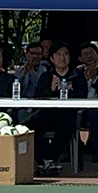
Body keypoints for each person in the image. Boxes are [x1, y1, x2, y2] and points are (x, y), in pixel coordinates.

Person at [34, 42, 88, 176]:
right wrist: (51, 89)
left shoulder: (77, 76)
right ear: (52, 58)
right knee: (30, 128)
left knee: (66, 127)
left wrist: (70, 92)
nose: (62, 58)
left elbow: (82, 96)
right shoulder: (46, 76)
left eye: (65, 54)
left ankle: (48, 160)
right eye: (58, 54)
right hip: (48, 114)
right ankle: (45, 161)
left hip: (68, 115)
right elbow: (38, 97)